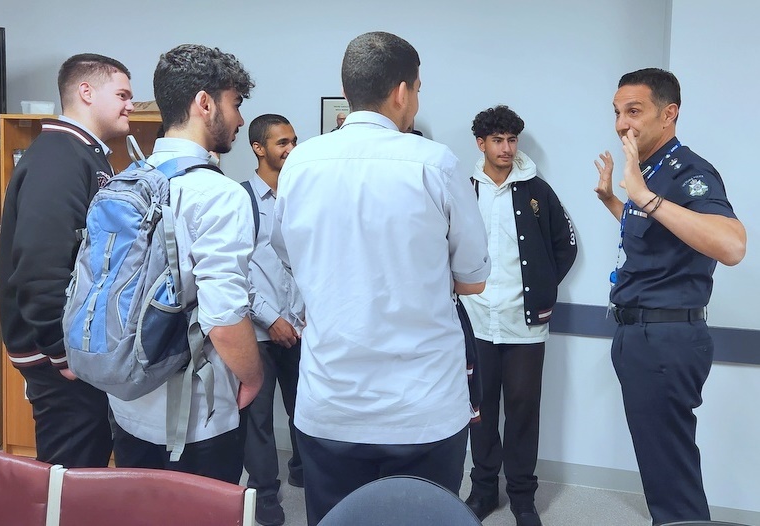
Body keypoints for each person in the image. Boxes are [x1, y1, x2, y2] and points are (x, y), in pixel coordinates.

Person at [271, 31, 491, 526]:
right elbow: (473, 279)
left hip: (330, 403)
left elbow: (289, 253)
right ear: (401, 91)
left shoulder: (301, 163)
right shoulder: (434, 163)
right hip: (422, 405)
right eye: (417, 89)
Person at [594, 68, 746, 525]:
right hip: (641, 335)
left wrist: (644, 195)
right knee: (662, 470)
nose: (622, 123)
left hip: (665, 337)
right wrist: (615, 202)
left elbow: (732, 245)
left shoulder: (688, 171)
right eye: (618, 112)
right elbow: (659, 242)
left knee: (671, 479)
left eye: (634, 111)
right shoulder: (652, 169)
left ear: (669, 113)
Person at [107, 44, 263, 484]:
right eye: (235, 104)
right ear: (204, 103)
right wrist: (252, 378)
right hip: (196, 417)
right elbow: (223, 318)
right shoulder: (219, 194)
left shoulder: (128, 180)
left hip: (128, 400)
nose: (238, 119)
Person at [0, 53, 134, 467]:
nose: (131, 105)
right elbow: (41, 266)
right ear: (86, 92)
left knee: (87, 454)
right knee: (70, 471)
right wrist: (62, 353)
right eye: (123, 94)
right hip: (56, 354)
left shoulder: (85, 152)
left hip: (71, 347)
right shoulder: (60, 155)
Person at [462, 105, 577, 526]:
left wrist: (543, 287)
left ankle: (523, 498)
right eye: (498, 140)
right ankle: (484, 489)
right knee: (480, 409)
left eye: (512, 140)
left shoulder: (536, 191)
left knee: (524, 409)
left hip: (524, 322)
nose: (507, 148)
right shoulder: (464, 189)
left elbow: (566, 245)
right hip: (475, 320)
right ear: (481, 143)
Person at [243, 114, 303, 526]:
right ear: (258, 148)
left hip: (302, 328)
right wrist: (271, 319)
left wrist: (302, 319)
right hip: (260, 332)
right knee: (258, 419)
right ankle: (265, 495)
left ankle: (305, 472)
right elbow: (232, 272)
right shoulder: (239, 200)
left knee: (307, 411)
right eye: (282, 142)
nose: (291, 149)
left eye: (294, 141)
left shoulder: (304, 197)